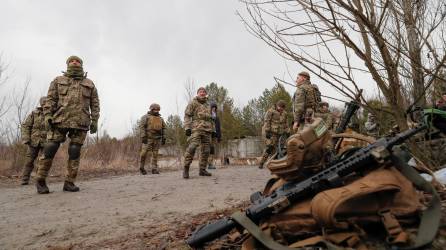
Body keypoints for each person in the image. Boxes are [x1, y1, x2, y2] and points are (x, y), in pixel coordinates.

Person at [35, 55, 100, 194]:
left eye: (77, 61)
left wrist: (95, 120)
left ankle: (69, 183)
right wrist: (47, 116)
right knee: (50, 148)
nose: (74, 62)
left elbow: (95, 103)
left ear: (81, 64)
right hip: (60, 120)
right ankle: (40, 180)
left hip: (80, 121)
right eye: (71, 61)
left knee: (75, 151)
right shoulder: (58, 81)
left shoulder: (89, 83)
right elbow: (50, 100)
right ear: (67, 64)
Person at [182, 87, 215, 178]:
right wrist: (187, 128)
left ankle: (202, 170)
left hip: (207, 129)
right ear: (197, 93)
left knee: (206, 150)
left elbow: (212, 118)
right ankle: (186, 168)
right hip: (196, 128)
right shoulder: (193, 103)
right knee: (193, 146)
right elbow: (187, 115)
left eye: (204, 92)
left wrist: (214, 130)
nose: (202, 93)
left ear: (206, 94)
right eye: (200, 92)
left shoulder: (209, 104)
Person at [20, 97, 47, 185]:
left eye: (46, 103)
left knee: (43, 162)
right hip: (33, 141)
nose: (45, 104)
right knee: (29, 161)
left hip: (46, 142)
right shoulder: (34, 113)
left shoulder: (52, 114)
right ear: (41, 103)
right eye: (43, 103)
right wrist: (26, 138)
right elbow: (26, 126)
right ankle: (24, 179)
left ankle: (39, 180)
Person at [259, 100, 289, 169]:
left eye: (283, 108)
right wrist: (267, 132)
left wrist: (288, 131)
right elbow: (267, 121)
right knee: (270, 147)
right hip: (272, 133)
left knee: (280, 148)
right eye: (280, 108)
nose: (281, 109)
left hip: (280, 133)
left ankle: (277, 163)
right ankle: (262, 162)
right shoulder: (271, 111)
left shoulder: (285, 113)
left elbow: (286, 124)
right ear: (277, 106)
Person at [139, 103, 166, 175]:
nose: (156, 111)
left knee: (155, 154)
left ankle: (154, 169)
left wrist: (164, 137)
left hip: (157, 139)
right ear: (151, 109)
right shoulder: (145, 117)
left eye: (158, 109)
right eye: (155, 109)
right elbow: (142, 127)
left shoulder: (160, 119)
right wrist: (143, 136)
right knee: (143, 153)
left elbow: (164, 128)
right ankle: (141, 167)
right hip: (148, 138)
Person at [207, 102, 221, 169]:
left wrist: (219, 137)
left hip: (214, 134)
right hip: (207, 133)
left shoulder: (217, 117)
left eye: (215, 108)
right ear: (210, 108)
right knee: (207, 149)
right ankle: (204, 164)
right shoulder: (207, 116)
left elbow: (218, 127)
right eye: (213, 107)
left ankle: (210, 164)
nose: (214, 109)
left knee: (212, 149)